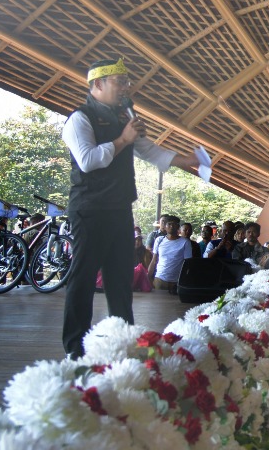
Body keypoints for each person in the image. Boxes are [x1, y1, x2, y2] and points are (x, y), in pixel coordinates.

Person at [60, 58, 199, 356]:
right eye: (119, 81)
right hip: (89, 209)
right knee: (83, 279)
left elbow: (147, 149)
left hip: (120, 208)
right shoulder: (79, 118)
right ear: (97, 84)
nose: (126, 87)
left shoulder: (124, 116)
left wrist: (183, 160)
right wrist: (123, 139)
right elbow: (88, 160)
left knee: (121, 280)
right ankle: (75, 348)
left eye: (126, 81)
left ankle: (124, 344)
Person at [148, 214, 193, 293]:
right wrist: (148, 278)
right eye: (169, 224)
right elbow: (154, 260)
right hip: (159, 280)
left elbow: (188, 264)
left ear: (178, 227)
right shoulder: (159, 240)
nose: (172, 226)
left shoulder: (185, 242)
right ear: (165, 226)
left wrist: (186, 282)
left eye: (174, 224)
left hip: (176, 282)